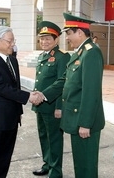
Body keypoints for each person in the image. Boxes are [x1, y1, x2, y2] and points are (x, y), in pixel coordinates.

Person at [39, 13, 105, 177]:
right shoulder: (80, 53)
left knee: (86, 166)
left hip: (84, 122)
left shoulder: (91, 53)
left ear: (80, 33)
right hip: (77, 119)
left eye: (69, 33)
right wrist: (42, 94)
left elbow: (91, 92)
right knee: (80, 164)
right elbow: (65, 81)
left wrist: (85, 123)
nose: (67, 38)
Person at [0, 26, 43, 178]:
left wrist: (20, 108)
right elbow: (2, 88)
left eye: (13, 40)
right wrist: (28, 97)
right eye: (10, 40)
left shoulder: (12, 60)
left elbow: (15, 87)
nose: (13, 44)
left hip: (11, 120)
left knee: (4, 161)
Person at [32, 21, 70, 177]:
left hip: (53, 106)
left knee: (54, 139)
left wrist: (59, 108)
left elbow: (63, 83)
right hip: (40, 106)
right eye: (42, 39)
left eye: (48, 38)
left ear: (56, 39)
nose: (44, 42)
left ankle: (56, 171)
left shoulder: (62, 57)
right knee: (43, 136)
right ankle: (47, 164)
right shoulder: (42, 56)